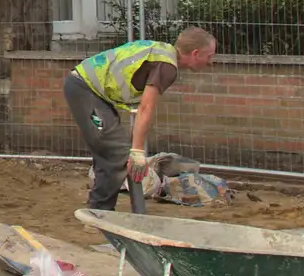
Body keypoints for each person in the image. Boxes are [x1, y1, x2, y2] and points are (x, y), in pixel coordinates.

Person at [64, 29, 218, 209]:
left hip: (90, 90)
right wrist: (137, 151)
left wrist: (135, 146)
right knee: (117, 154)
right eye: (209, 56)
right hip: (85, 90)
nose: (210, 62)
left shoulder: (162, 53)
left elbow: (140, 107)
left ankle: (100, 209)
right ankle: (99, 213)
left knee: (110, 150)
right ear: (195, 53)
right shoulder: (166, 65)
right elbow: (146, 107)